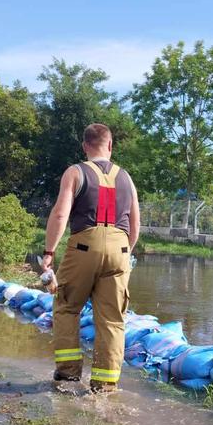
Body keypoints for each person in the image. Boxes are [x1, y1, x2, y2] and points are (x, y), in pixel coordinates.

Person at [41, 123, 140, 392]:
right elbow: (135, 222)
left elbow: (61, 214)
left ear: (85, 146)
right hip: (120, 248)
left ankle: (69, 374)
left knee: (66, 307)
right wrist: (125, 251)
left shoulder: (75, 172)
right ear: (110, 146)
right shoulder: (126, 177)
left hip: (84, 245)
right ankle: (105, 385)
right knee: (111, 319)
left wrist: (49, 252)